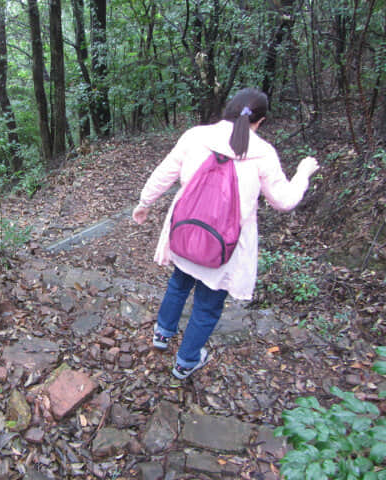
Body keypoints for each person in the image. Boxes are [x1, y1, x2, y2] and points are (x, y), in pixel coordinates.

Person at [132, 88, 320, 379]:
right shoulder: (264, 154)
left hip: (185, 232)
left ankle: (162, 334)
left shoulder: (196, 136)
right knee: (207, 306)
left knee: (179, 283)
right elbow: (284, 201)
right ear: (261, 121)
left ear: (227, 109)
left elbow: (163, 173)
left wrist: (144, 204)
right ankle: (185, 362)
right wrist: (303, 174)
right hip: (225, 246)